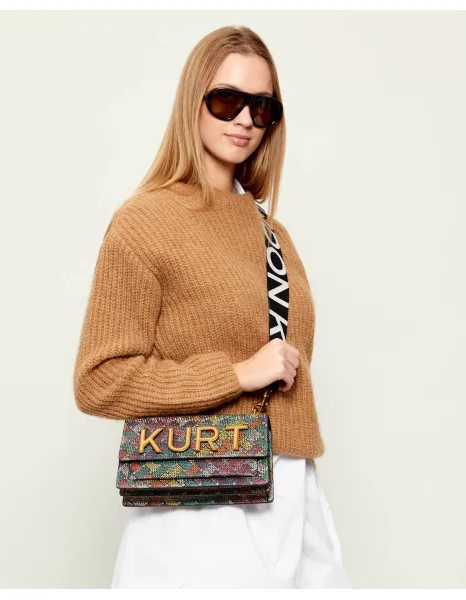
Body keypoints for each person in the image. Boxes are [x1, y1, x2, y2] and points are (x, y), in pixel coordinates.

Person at [73, 25, 354, 589]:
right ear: (192, 101)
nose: (244, 119)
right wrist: (236, 374)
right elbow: (98, 380)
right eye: (226, 100)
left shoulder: (274, 234)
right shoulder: (145, 222)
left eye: (262, 107)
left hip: (293, 494)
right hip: (201, 502)